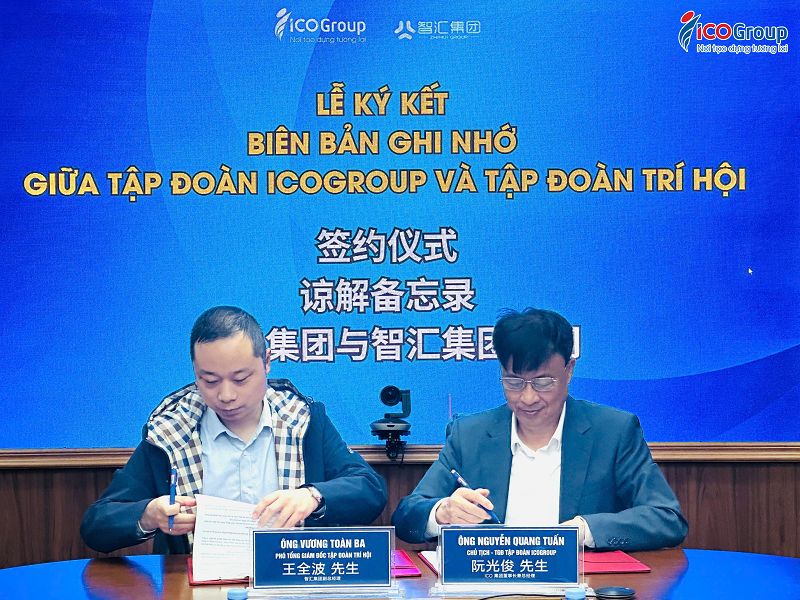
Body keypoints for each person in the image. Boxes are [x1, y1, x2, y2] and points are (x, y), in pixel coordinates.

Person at [81, 306, 386, 554]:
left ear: (267, 362)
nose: (226, 395)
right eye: (209, 380)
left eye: (240, 379)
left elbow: (370, 489)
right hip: (197, 589)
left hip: (290, 578)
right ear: (195, 372)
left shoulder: (303, 421)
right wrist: (149, 515)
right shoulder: (171, 433)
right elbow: (96, 525)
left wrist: (312, 496)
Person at [392, 308, 688, 552]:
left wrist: (586, 530)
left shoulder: (613, 431)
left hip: (579, 585)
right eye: (514, 382)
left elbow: (666, 518)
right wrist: (442, 512)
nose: (528, 397)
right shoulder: (469, 434)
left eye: (543, 382)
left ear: (569, 370)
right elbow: (407, 516)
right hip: (490, 582)